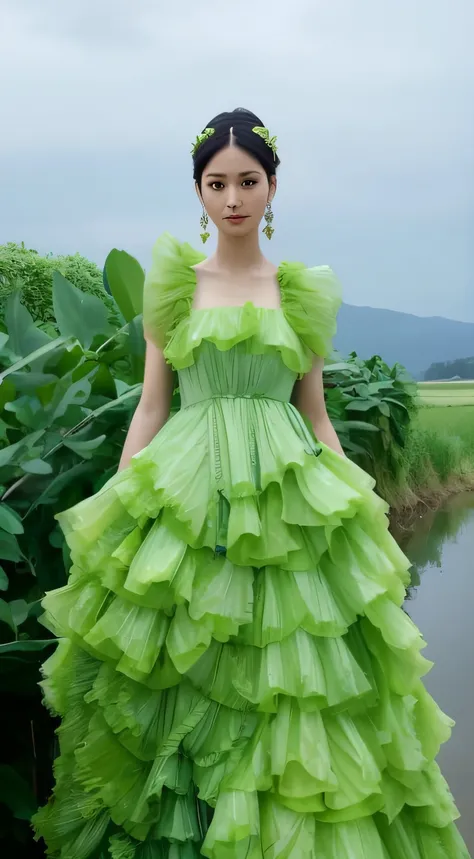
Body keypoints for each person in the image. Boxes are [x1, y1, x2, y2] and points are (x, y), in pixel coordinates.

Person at [33, 108, 470, 859]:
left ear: (272, 187)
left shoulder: (297, 293)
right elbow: (151, 405)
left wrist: (357, 502)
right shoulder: (174, 288)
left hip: (286, 503)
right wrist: (116, 506)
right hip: (189, 494)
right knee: (183, 679)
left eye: (247, 181)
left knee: (295, 681)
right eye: (216, 183)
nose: (232, 198)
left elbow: (319, 416)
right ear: (198, 194)